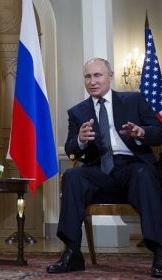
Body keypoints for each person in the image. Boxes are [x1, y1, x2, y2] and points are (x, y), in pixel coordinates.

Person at [46, 58, 162, 278]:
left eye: (97, 75)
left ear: (110, 75)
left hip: (132, 169)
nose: (92, 81)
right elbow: (71, 150)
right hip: (100, 171)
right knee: (72, 176)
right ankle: (72, 252)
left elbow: (159, 131)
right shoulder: (77, 112)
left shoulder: (134, 101)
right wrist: (80, 140)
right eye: (88, 77)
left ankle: (159, 252)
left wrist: (142, 132)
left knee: (144, 173)